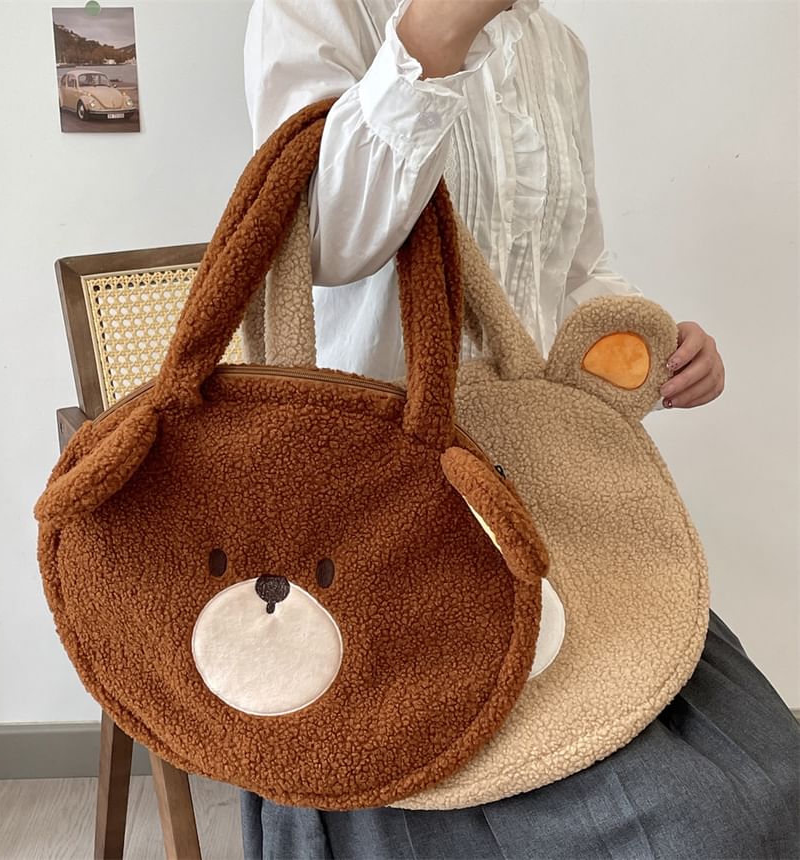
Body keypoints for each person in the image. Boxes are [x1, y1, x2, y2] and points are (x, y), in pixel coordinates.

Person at [241, 1, 799, 857]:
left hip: (536, 480)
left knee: (761, 776)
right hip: (373, 515)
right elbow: (317, 243)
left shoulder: (555, 45)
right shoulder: (319, 10)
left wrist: (650, 342)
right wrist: (434, 38)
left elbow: (572, 265)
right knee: (689, 821)